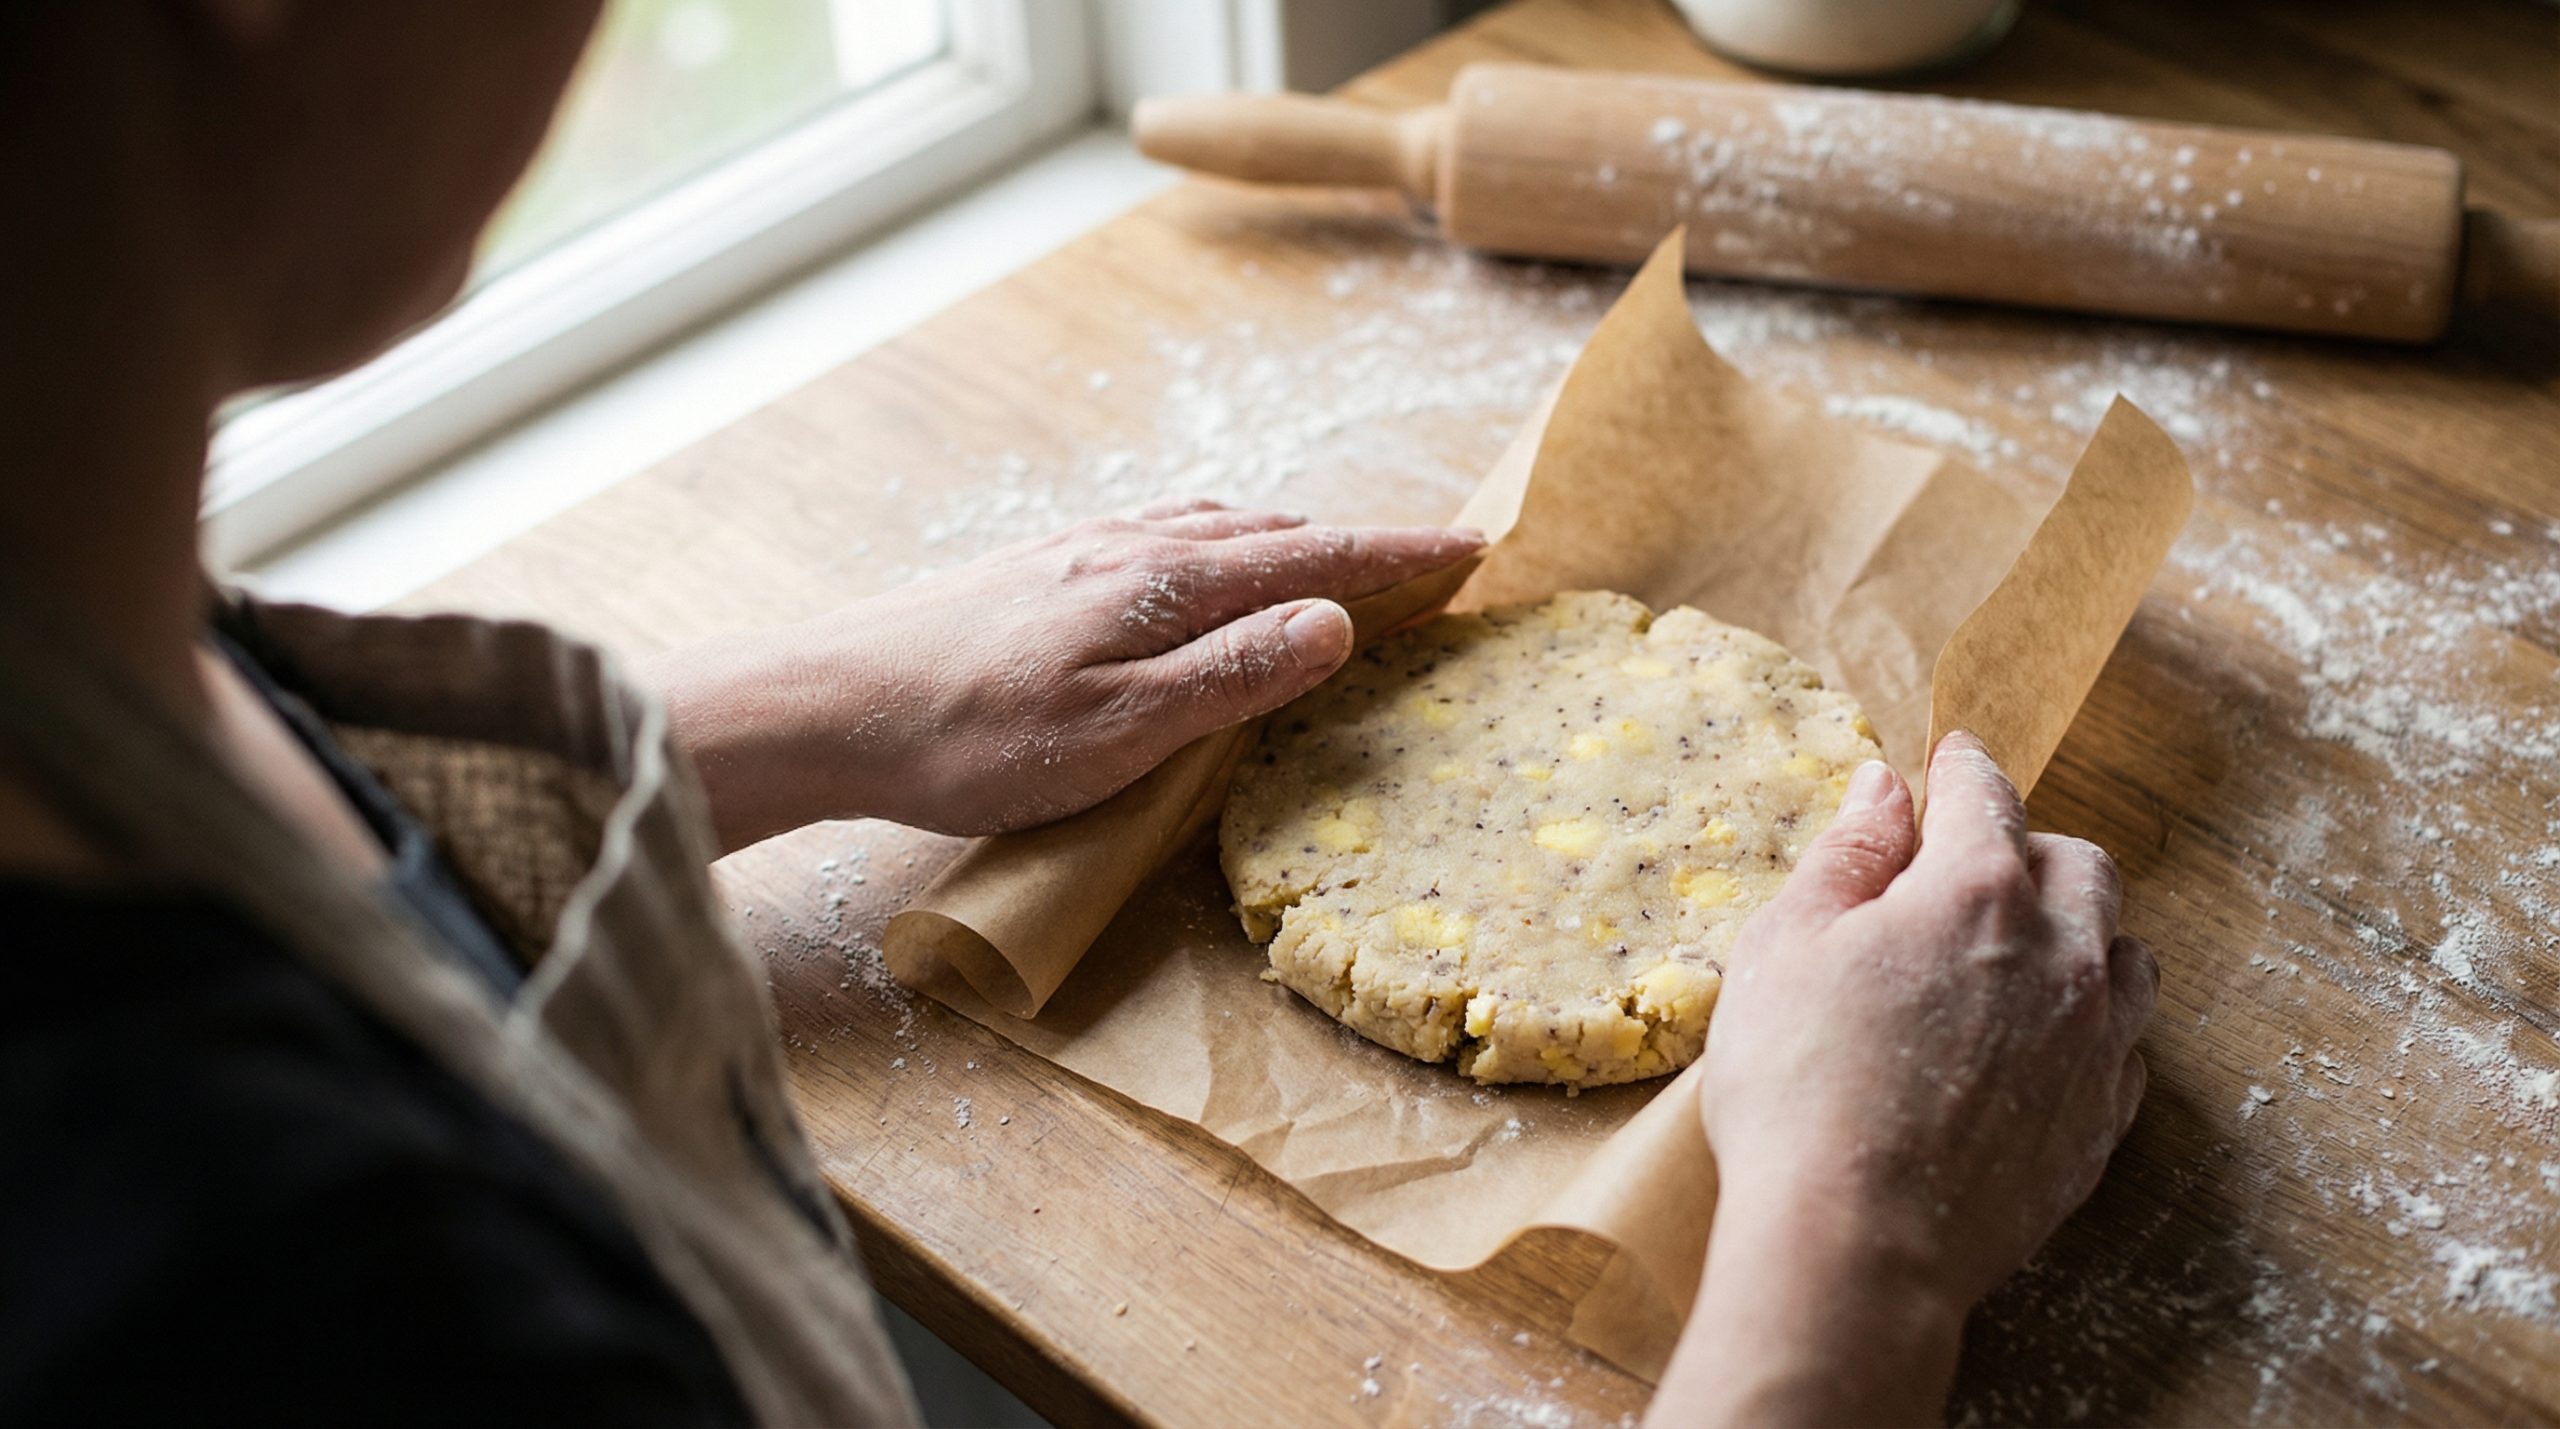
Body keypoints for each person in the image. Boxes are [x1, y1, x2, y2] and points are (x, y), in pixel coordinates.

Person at [0, 3, 2154, 1425]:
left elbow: (211, 780)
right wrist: (1847, 1264)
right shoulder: (286, 1310)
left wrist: (788, 716)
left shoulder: (63, 579)